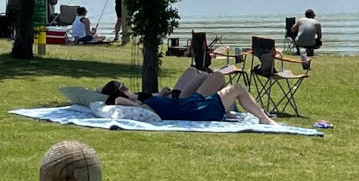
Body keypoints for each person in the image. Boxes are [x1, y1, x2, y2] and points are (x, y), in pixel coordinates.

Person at [100, 67, 278, 126]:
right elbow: (117, 101)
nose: (127, 89)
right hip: (197, 109)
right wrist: (128, 98)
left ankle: (229, 112)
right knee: (238, 87)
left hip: (192, 104)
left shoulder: (146, 102)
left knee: (217, 76)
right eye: (124, 88)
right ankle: (263, 119)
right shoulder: (140, 106)